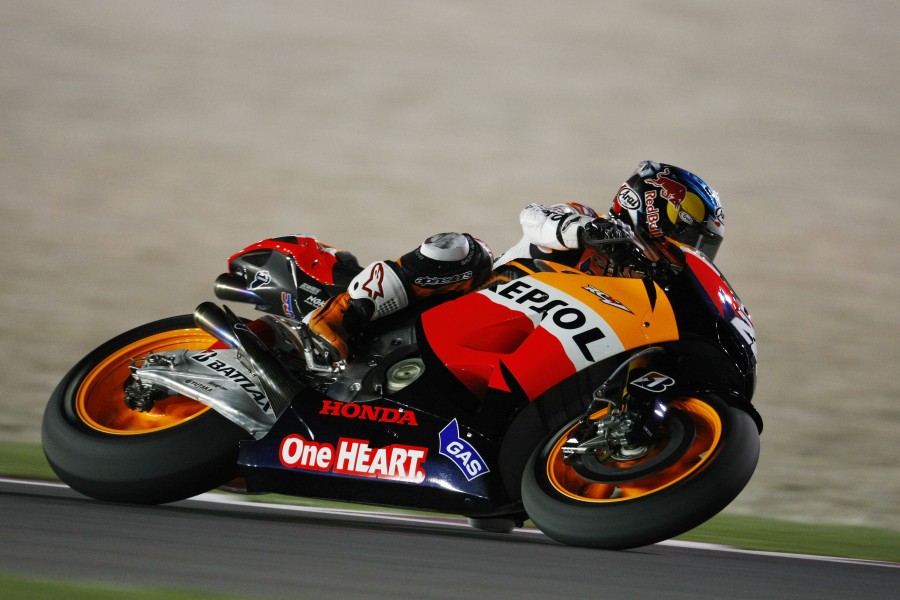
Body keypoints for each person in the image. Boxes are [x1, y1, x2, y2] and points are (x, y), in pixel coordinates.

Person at [306, 160, 725, 363]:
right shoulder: (588, 220)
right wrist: (587, 231)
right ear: (656, 206)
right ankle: (342, 314)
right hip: (478, 304)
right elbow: (533, 217)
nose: (693, 249)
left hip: (529, 350)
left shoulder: (648, 287)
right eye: (693, 234)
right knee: (465, 250)